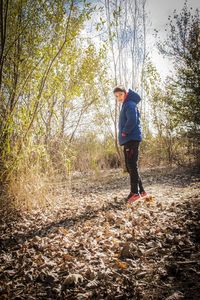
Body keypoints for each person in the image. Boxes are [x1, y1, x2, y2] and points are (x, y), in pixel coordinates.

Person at [113, 85, 149, 202]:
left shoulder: (129, 104)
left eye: (120, 95)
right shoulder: (127, 104)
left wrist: (124, 132)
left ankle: (135, 192)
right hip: (129, 140)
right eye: (116, 96)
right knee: (130, 166)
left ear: (125, 93)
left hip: (131, 139)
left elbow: (132, 120)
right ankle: (142, 191)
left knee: (132, 166)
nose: (119, 98)